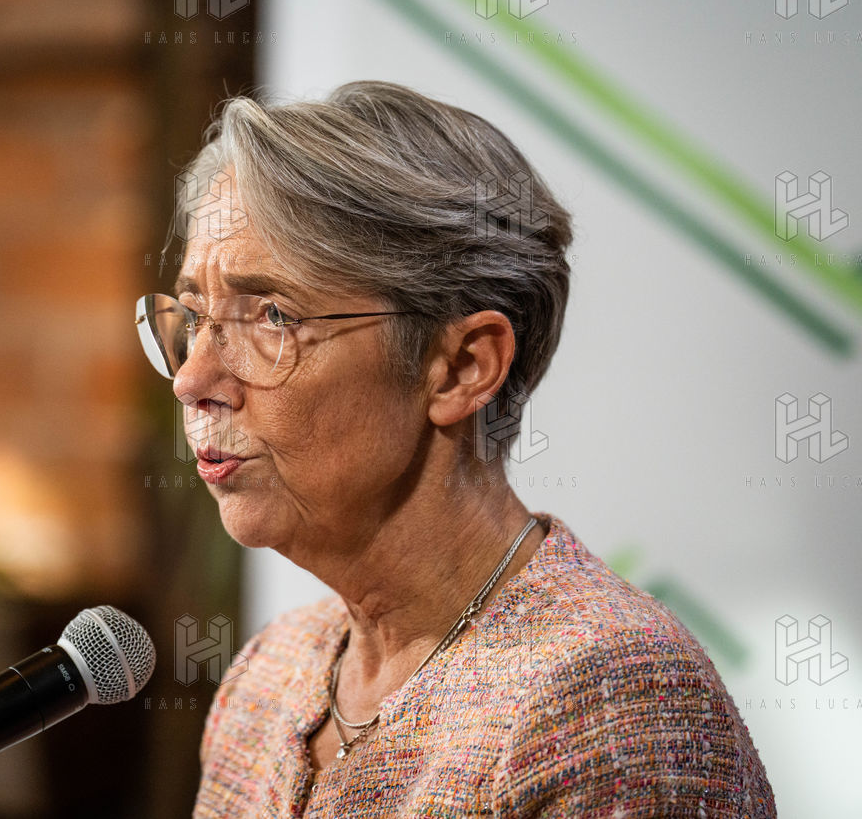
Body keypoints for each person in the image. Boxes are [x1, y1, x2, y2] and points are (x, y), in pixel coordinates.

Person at [133, 82, 775, 817]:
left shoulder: (614, 700)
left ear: (463, 367)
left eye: (272, 316)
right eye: (195, 316)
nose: (192, 379)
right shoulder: (269, 677)